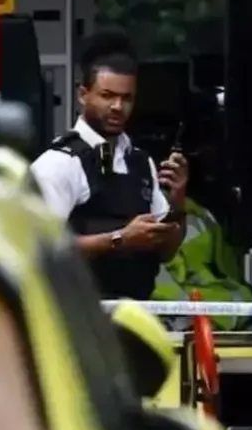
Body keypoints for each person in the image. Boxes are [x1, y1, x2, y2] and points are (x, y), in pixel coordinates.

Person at [31, 30, 189, 299]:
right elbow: (40, 249)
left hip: (135, 316)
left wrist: (177, 203)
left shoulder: (140, 162)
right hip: (79, 318)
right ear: (84, 95)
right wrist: (120, 239)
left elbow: (166, 253)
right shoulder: (59, 163)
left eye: (126, 98)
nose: (117, 106)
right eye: (107, 95)